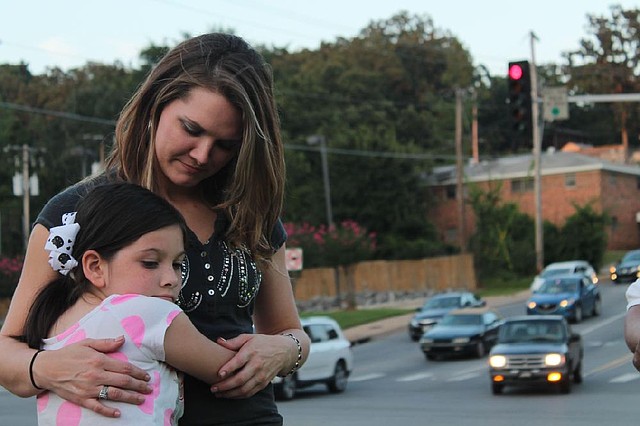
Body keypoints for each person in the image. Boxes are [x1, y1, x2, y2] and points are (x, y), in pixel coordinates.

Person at [0, 33, 310, 425]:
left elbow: (289, 330)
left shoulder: (250, 213)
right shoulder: (76, 213)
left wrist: (286, 351)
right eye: (191, 129)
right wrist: (46, 369)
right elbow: (7, 349)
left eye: (225, 144)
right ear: (157, 103)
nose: (202, 155)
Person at [21, 182, 239, 425]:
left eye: (177, 264)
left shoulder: (55, 321)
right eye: (150, 262)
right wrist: (277, 347)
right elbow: (228, 369)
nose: (172, 279)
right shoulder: (149, 313)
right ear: (95, 266)